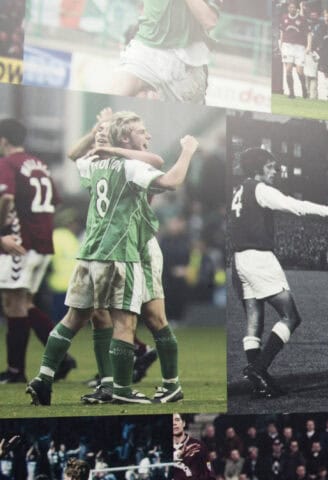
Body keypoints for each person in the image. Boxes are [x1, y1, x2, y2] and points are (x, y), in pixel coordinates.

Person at [26, 115, 199, 406]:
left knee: (99, 316)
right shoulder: (131, 166)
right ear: (125, 138)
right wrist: (188, 150)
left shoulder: (95, 163)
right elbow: (169, 178)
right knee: (123, 321)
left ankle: (47, 377)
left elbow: (79, 155)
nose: (148, 135)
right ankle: (120, 387)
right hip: (123, 251)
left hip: (101, 250)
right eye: (142, 131)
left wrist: (105, 142)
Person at [230, 147, 328, 398]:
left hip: (239, 260)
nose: (275, 171)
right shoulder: (261, 189)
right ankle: (258, 369)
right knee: (291, 317)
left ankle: (261, 383)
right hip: (259, 258)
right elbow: (296, 206)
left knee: (253, 323)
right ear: (258, 168)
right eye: (270, 166)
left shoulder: (239, 189)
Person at [0, 118, 76, 385]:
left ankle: (15, 371)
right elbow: (54, 200)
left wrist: (1, 233)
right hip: (43, 241)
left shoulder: (8, 163)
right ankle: (62, 358)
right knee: (26, 303)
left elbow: (7, 197)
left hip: (22, 242)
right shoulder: (39, 164)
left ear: (4, 141)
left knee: (13, 303)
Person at [109, 0, 219, 103]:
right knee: (114, 98)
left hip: (188, 64)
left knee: (184, 119)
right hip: (147, 49)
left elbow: (209, 20)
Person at [279, 1, 310, 99]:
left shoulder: (302, 19)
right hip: (287, 46)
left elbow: (309, 33)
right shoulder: (284, 17)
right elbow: (282, 32)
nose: (292, 9)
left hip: (299, 47)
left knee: (299, 71)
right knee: (288, 69)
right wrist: (281, 44)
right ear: (288, 8)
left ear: (296, 9)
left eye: (293, 7)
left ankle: (304, 89)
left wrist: (309, 46)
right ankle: (291, 93)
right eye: (290, 7)